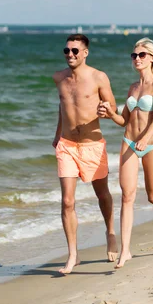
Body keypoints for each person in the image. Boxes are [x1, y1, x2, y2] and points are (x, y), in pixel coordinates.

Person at [98, 37, 153, 269]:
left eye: (141, 55)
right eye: (134, 56)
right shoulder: (133, 87)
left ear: (151, 58)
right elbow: (125, 121)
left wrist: (144, 140)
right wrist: (111, 114)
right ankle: (125, 251)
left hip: (151, 144)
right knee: (126, 196)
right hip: (129, 143)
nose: (137, 59)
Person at [52, 34, 118, 274]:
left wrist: (107, 110)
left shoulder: (99, 77)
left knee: (102, 195)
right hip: (67, 145)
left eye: (75, 51)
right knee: (67, 201)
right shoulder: (59, 78)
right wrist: (57, 134)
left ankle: (110, 232)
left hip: (92, 146)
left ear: (85, 53)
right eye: (67, 51)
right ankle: (73, 254)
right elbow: (63, 107)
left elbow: (114, 107)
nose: (70, 55)